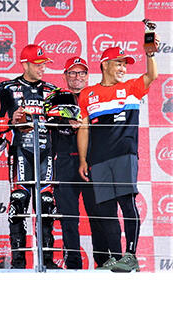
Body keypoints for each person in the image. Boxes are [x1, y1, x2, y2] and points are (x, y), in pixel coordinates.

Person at [77, 39, 158, 272]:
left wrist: (150, 55)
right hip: (98, 159)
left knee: (127, 203)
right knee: (106, 210)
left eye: (125, 65)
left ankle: (130, 255)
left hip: (124, 155)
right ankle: (114, 258)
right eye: (118, 64)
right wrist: (83, 159)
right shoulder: (88, 93)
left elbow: (151, 75)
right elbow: (84, 129)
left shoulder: (132, 87)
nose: (123, 68)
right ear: (105, 65)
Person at [0, 44, 59, 269]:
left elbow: (63, 123)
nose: (42, 68)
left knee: (46, 206)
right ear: (25, 64)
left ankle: (48, 261)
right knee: (17, 205)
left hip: (47, 154)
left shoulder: (53, 90)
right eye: (38, 64)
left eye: (44, 64)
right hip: (20, 153)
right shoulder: (6, 88)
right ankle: (18, 262)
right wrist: (11, 120)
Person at [50, 56, 108, 269]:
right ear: (65, 75)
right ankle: (73, 263)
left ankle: (103, 261)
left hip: (93, 163)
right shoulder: (55, 97)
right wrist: (65, 120)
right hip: (64, 162)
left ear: (87, 75)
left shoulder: (96, 96)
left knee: (98, 215)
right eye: (72, 72)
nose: (77, 77)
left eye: (81, 72)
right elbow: (47, 119)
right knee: (68, 217)